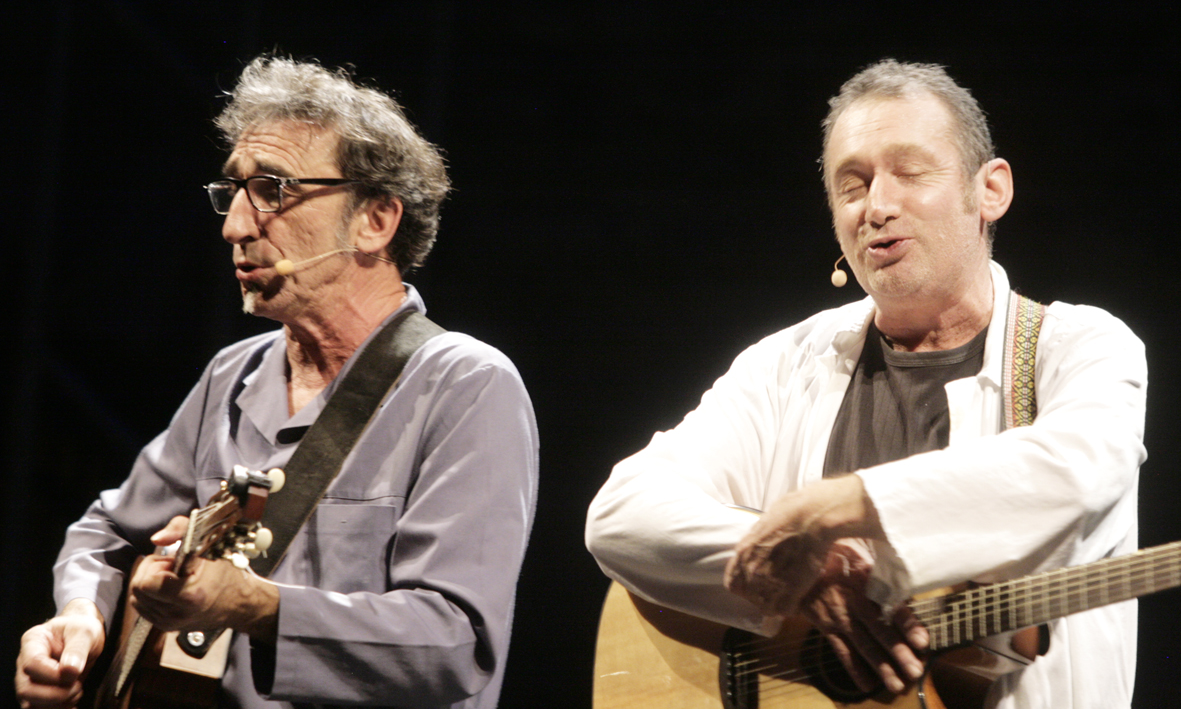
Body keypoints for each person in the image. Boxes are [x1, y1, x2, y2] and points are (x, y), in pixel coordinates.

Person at [586, 60, 1145, 707]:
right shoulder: (786, 363)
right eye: (851, 185)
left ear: (990, 190)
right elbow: (619, 515)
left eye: (909, 172)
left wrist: (832, 507)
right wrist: (804, 574)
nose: (877, 207)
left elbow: (1076, 473)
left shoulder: (1079, 345)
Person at [16, 55, 539, 709]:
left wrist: (256, 605)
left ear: (375, 220)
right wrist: (79, 619)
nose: (234, 226)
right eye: (232, 191)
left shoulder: (466, 385)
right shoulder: (232, 374)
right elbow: (107, 533)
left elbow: (455, 644)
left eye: (272, 189)